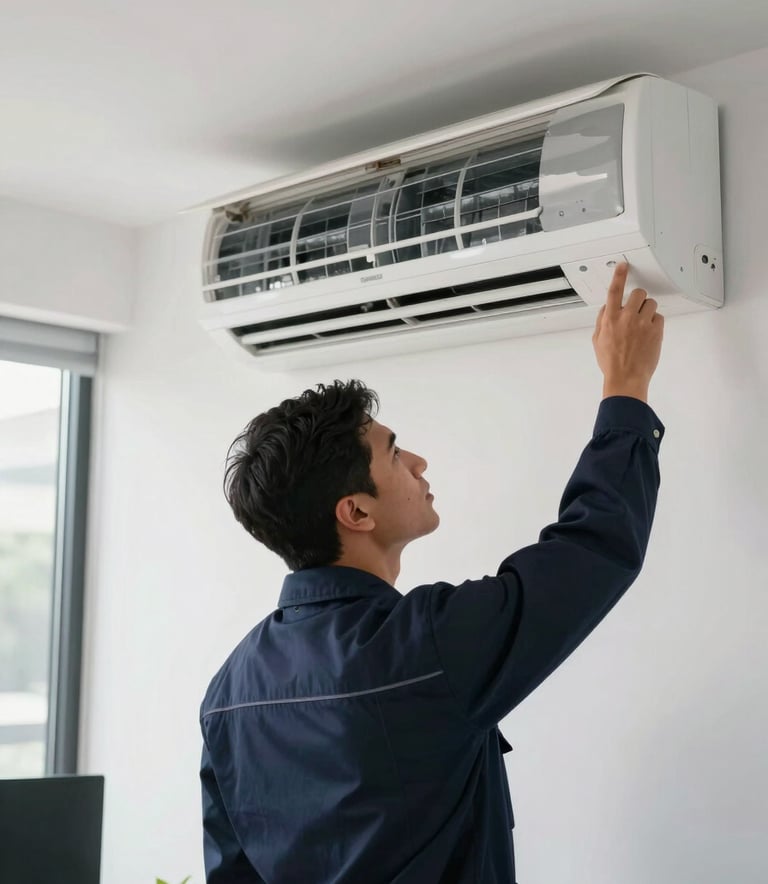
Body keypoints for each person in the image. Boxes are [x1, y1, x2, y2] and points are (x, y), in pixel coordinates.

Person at [199, 262, 665, 883]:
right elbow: (589, 552)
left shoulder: (229, 693)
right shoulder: (423, 646)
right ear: (356, 511)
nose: (418, 462)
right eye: (394, 453)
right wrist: (624, 389)